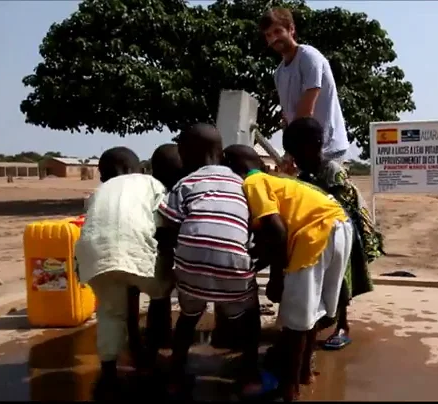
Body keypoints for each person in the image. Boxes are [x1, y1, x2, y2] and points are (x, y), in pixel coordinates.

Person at [223, 144, 354, 402]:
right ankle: (304, 372)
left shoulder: (253, 182)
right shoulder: (277, 182)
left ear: (233, 171)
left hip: (315, 234)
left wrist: (276, 277)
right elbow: (272, 235)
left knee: (295, 320)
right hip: (340, 225)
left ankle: (288, 389)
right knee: (311, 311)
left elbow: (277, 231)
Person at [155, 124, 269, 399]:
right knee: (249, 318)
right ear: (219, 152)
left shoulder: (185, 184)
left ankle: (175, 375)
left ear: (185, 154)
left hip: (191, 267)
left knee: (188, 317)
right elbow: (253, 226)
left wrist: (175, 268)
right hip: (234, 267)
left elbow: (167, 230)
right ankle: (249, 375)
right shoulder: (242, 184)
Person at [74, 146, 174, 399]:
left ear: (104, 174)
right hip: (137, 250)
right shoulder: (151, 183)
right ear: (135, 168)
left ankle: (108, 373)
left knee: (109, 313)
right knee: (160, 293)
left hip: (96, 256)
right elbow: (162, 223)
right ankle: (151, 357)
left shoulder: (98, 192)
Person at [282, 117, 383, 350]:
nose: (295, 159)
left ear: (316, 145)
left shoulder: (332, 171)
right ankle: (323, 318)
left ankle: (342, 325)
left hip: (349, 232)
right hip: (325, 232)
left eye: (298, 152)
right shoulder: (305, 174)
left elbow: (341, 208)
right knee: (328, 280)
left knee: (343, 281)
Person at [259, 7, 349, 175]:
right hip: (304, 152)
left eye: (278, 31)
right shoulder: (279, 74)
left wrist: (292, 153)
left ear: (291, 29)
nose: (274, 38)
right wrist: (289, 153)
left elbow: (306, 111)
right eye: (268, 35)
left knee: (330, 199)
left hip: (327, 150)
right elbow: (289, 118)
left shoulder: (309, 57)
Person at [125, 143, 185, 361]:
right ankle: (159, 338)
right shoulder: (166, 194)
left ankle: (133, 340)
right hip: (154, 252)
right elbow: (166, 232)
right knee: (160, 296)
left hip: (125, 253)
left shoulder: (136, 189)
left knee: (130, 298)